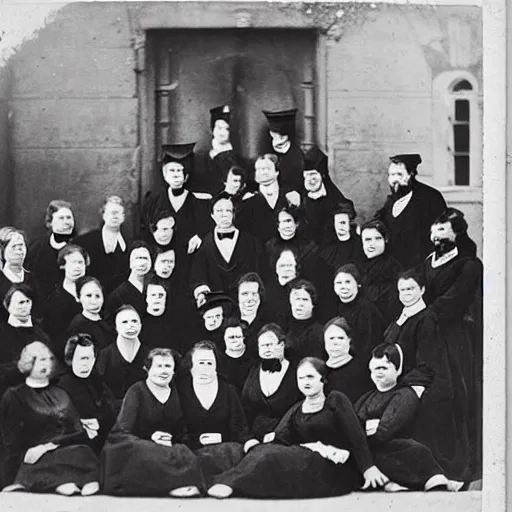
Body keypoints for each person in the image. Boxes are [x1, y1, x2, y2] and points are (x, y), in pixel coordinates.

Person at [208, 357, 388, 499]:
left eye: (310, 377)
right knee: (265, 451)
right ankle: (229, 481)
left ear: (322, 379)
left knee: (271, 456)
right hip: (308, 460)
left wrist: (368, 468)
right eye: (300, 378)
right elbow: (281, 436)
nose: (305, 382)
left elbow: (355, 434)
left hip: (335, 468)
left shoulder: (335, 400)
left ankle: (232, 484)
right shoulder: (298, 408)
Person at [384, 269, 466, 481]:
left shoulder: (426, 318)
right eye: (401, 290)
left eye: (410, 289)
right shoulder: (403, 317)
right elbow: (388, 345)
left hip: (428, 386)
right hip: (408, 382)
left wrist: (402, 386)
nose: (405, 294)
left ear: (422, 290)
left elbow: (427, 363)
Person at [423, 208, 483, 481]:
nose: (437, 238)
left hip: (456, 337)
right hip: (431, 336)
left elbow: (455, 301)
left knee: (460, 395)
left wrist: (424, 316)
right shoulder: (428, 262)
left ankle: (467, 464)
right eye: (434, 232)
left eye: (443, 232)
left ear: (457, 234)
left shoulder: (468, 265)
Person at [354, 344, 464, 492]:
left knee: (409, 452)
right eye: (374, 369)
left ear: (397, 369)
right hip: (370, 451)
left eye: (383, 368)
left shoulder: (404, 395)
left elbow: (386, 430)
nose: (377, 373)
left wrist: (369, 429)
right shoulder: (366, 398)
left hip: (398, 449)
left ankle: (432, 482)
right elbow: (353, 427)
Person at [0, 342, 100, 495]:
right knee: (41, 462)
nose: (46, 363)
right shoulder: (15, 395)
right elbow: (10, 437)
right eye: (41, 359)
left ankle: (62, 482)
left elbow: (74, 428)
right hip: (33, 454)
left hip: (62, 448)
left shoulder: (60, 392)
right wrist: (35, 450)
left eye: (48, 359)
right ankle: (62, 482)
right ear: (29, 363)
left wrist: (50, 445)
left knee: (83, 451)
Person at [101, 348, 203, 497]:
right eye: (158, 366)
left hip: (166, 446)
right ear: (148, 369)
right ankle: (171, 485)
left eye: (168, 366)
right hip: (135, 444)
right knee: (145, 452)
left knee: (185, 453)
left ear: (174, 371)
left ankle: (172, 484)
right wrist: (151, 439)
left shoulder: (178, 393)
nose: (163, 371)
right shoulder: (136, 391)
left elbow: (183, 431)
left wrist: (171, 440)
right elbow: (122, 430)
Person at [178, 341, 250, 487]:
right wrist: (198, 441)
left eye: (209, 363)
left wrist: (222, 438)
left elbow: (240, 429)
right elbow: (179, 430)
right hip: (194, 451)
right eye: (200, 363)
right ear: (191, 366)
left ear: (216, 366)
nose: (204, 368)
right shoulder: (181, 391)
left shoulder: (229, 390)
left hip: (225, 450)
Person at [375, 154, 447, 270]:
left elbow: (443, 234)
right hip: (394, 268)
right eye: (392, 175)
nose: (395, 180)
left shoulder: (431, 198)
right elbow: (379, 222)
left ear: (411, 175)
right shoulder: (391, 202)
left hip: (421, 268)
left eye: (400, 174)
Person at [190, 194, 265, 302]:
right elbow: (198, 276)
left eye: (228, 211)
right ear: (212, 215)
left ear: (234, 214)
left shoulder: (253, 243)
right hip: (216, 305)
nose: (224, 215)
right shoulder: (203, 245)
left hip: (246, 303)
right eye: (219, 211)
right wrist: (201, 293)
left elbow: (260, 274)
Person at [142, 143, 209, 257]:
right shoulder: (153, 200)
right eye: (171, 170)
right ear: (164, 174)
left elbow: (205, 227)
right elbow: (145, 231)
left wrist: (199, 236)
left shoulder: (197, 202)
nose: (175, 175)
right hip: (161, 259)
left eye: (179, 170)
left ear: (186, 176)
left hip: (189, 259)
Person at [240, 323, 302, 441]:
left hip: (286, 438)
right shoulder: (254, 370)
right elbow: (245, 406)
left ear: (282, 345)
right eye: (262, 346)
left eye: (269, 344)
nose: (266, 349)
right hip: (255, 438)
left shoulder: (296, 372)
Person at [57, 334, 117, 453]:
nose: (86, 364)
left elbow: (112, 410)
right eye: (82, 358)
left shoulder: (96, 380)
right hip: (76, 446)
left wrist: (98, 423)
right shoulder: (60, 386)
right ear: (70, 359)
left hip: (104, 440)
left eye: (90, 358)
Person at [0, 284, 51, 398]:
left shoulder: (42, 336)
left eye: (27, 301)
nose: (24, 306)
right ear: (8, 305)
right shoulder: (2, 332)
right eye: (20, 302)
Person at [237, 154, 299, 243]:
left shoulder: (290, 197)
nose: (262, 172)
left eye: (266, 168)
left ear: (277, 172)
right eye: (258, 169)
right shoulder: (247, 202)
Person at [73, 195, 129, 293]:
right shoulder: (84, 241)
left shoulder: (129, 243)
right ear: (103, 215)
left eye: (119, 213)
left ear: (123, 217)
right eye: (112, 212)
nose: (115, 216)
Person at [96, 305, 149, 408]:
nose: (131, 326)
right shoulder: (105, 355)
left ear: (140, 325)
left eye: (134, 321)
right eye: (124, 322)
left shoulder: (148, 354)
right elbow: (99, 389)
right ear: (116, 327)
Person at [332, 264, 386, 364]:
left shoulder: (366, 310)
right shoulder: (337, 307)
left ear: (358, 284)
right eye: (339, 283)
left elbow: (367, 349)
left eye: (348, 282)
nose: (343, 287)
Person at [301, 145, 355, 245]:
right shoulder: (300, 199)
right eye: (306, 175)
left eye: (313, 175)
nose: (310, 180)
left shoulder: (337, 201)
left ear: (323, 175)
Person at [42, 244, 89, 358]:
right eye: (73, 262)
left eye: (80, 262)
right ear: (63, 266)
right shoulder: (55, 300)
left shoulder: (93, 292)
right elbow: (53, 335)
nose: (77, 267)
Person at [25, 199, 76, 298]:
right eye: (61, 218)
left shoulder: (80, 245)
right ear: (50, 222)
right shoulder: (36, 247)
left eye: (69, 218)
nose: (67, 222)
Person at [360, 220, 402, 325]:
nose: (372, 244)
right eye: (367, 240)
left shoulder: (391, 268)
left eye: (377, 239)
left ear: (385, 240)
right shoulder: (362, 265)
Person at [197, 105, 246, 195]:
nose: (222, 133)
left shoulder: (236, 157)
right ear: (213, 130)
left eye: (226, 129)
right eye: (219, 128)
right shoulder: (203, 155)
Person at [324, 316, 373, 404]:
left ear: (349, 340)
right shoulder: (318, 370)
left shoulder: (362, 369)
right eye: (331, 338)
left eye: (341, 338)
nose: (336, 343)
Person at [66, 276, 116, 352]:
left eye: (98, 296)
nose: (94, 301)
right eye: (88, 296)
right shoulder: (78, 325)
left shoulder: (107, 321)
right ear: (79, 298)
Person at [0, 227, 40, 320]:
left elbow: (39, 310)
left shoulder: (31, 278)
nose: (19, 251)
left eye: (21, 246)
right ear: (2, 250)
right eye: (14, 247)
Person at [105, 241, 152, 320]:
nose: (142, 263)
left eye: (145, 258)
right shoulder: (118, 295)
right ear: (130, 262)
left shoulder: (155, 287)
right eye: (137, 258)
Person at [262, 108, 304, 193]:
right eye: (273, 135)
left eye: (279, 136)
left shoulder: (296, 158)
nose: (276, 140)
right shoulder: (269, 152)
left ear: (285, 137)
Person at [319, 202, 365, 274]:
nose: (340, 227)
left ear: (350, 223)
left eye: (343, 223)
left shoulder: (359, 244)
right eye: (337, 222)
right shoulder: (328, 247)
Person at [286, 279, 325, 363]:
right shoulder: (285, 330)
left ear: (312, 304)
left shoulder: (318, 332)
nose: (300, 304)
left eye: (305, 299)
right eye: (296, 299)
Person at [139, 274, 181, 353]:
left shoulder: (175, 321)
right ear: (147, 298)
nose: (157, 298)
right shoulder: (139, 320)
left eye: (161, 295)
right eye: (153, 295)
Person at [236, 273, 272, 357]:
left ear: (260, 297)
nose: (250, 298)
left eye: (254, 294)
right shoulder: (228, 322)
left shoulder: (268, 325)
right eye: (245, 294)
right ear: (238, 296)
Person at [216, 317, 256, 392]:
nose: (235, 340)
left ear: (244, 337)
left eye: (238, 337)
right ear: (224, 338)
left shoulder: (253, 362)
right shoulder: (218, 362)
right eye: (231, 337)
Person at [263, 248, 300, 327]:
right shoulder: (267, 291)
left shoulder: (302, 289)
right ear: (276, 267)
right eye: (282, 265)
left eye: (290, 265)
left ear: (296, 267)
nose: (286, 269)